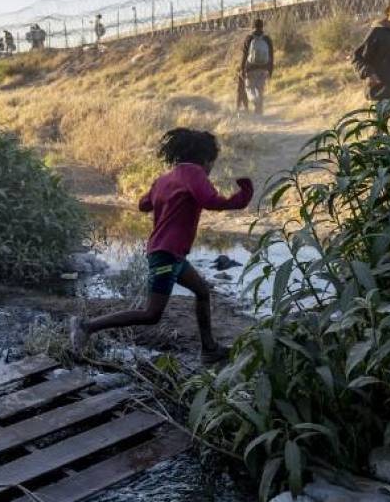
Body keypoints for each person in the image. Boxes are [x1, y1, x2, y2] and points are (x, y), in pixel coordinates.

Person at [69, 128, 252, 365]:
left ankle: (209, 349)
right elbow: (212, 202)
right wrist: (245, 193)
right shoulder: (195, 174)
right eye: (211, 164)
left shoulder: (166, 178)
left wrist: (164, 196)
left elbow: (144, 204)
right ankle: (86, 326)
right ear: (206, 159)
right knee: (151, 314)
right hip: (166, 254)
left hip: (170, 253)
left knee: (202, 292)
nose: (210, 170)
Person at [239, 18, 275, 116]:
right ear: (262, 26)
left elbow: (245, 55)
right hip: (263, 68)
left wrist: (242, 69)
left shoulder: (249, 38)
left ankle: (255, 102)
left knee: (249, 88)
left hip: (251, 68)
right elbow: (271, 55)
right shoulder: (267, 39)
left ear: (253, 26)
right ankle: (259, 113)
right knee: (260, 89)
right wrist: (270, 69)